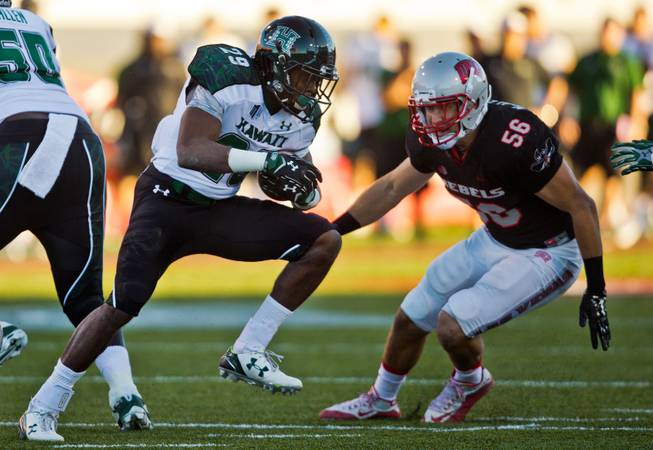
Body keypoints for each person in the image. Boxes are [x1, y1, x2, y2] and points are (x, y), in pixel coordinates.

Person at [19, 15, 342, 441]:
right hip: (166, 201)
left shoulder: (303, 116)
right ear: (275, 65)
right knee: (120, 306)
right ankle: (42, 407)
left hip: (218, 208)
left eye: (315, 79)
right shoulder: (227, 75)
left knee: (323, 238)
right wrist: (267, 162)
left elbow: (297, 178)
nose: (309, 88)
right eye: (303, 75)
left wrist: (302, 192)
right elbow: (191, 151)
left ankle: (250, 349)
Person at [320, 52, 610, 423]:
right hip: (497, 237)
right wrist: (334, 229)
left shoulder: (513, 137)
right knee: (412, 315)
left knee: (452, 325)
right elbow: (393, 187)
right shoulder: (429, 140)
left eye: (443, 108)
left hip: (548, 251)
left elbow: (581, 206)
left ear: (472, 103)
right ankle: (382, 398)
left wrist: (596, 287)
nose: (432, 119)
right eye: (425, 109)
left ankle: (470, 381)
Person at [0, 1, 151, 441]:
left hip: (21, 134)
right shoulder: (36, 22)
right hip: (79, 139)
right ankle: (126, 394)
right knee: (83, 296)